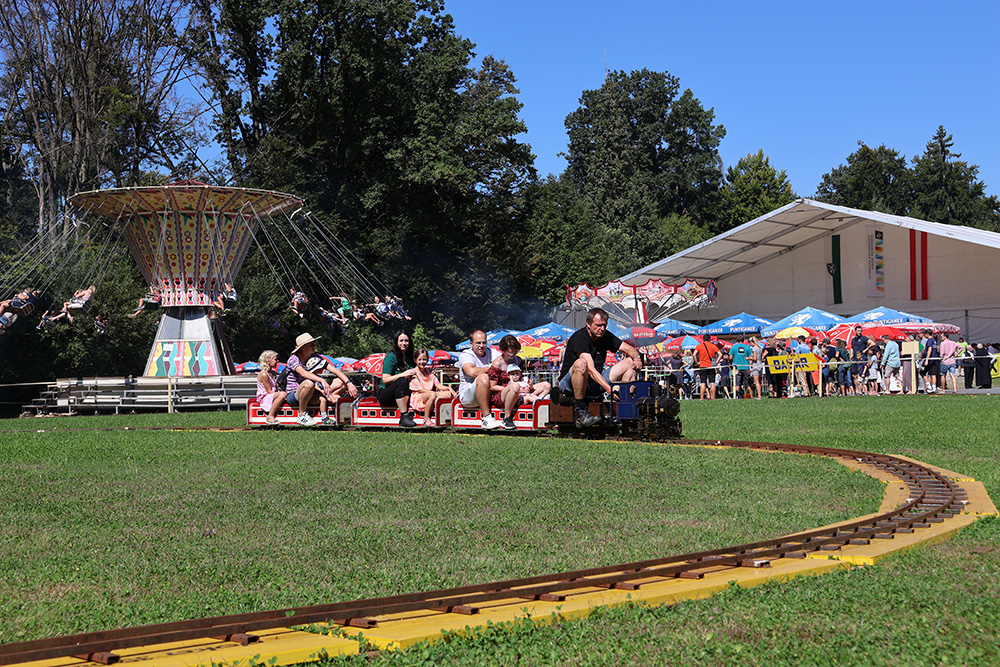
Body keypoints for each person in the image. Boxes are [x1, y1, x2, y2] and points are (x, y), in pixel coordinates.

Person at [557, 308, 642, 427]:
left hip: (593, 383)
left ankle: (626, 407)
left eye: (604, 325)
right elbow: (590, 370)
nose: (602, 329)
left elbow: (629, 349)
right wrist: (609, 390)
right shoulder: (580, 338)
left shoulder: (605, 336)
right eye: (598, 325)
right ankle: (580, 412)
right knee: (581, 364)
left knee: (629, 362)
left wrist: (637, 358)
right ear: (588, 324)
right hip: (569, 385)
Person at [286, 332, 357, 425]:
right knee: (309, 383)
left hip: (313, 391)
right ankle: (302, 414)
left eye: (315, 343)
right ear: (303, 347)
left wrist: (349, 383)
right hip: (295, 393)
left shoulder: (315, 356)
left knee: (340, 382)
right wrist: (321, 380)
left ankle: (327, 399)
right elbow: (303, 373)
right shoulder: (293, 359)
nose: (315, 345)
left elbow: (334, 370)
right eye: (312, 344)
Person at [457, 329, 503, 429]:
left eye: (484, 342)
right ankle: (486, 418)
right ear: (471, 343)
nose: (481, 346)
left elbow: (506, 362)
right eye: (478, 343)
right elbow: (471, 372)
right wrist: (492, 369)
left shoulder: (492, 352)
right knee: (483, 377)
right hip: (468, 396)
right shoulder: (466, 355)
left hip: (490, 392)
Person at [377, 330, 419, 427]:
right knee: (402, 381)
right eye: (401, 341)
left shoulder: (410, 358)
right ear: (396, 342)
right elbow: (385, 380)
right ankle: (404, 416)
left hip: (404, 393)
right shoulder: (390, 357)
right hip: (386, 393)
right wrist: (402, 374)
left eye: (406, 341)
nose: (404, 343)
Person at [409, 349, 456, 427]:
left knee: (448, 394)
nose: (422, 362)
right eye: (419, 359)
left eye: (424, 359)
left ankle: (445, 417)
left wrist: (449, 389)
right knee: (432, 395)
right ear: (415, 360)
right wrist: (435, 393)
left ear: (427, 360)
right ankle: (426, 419)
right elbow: (420, 389)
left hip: (431, 394)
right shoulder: (414, 373)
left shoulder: (429, 372)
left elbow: (438, 385)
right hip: (419, 396)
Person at [487, 335, 525, 430]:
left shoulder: (519, 360)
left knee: (546, 385)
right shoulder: (497, 363)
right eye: (510, 352)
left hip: (518, 389)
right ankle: (507, 418)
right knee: (515, 386)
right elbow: (492, 387)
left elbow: (521, 378)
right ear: (503, 350)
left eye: (515, 351)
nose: (513, 354)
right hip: (500, 394)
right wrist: (512, 388)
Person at [256, 350, 288, 424]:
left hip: (272, 394)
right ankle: (270, 416)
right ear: (268, 361)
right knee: (283, 394)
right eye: (275, 359)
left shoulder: (273, 373)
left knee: (284, 394)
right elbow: (269, 391)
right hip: (265, 396)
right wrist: (281, 393)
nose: (277, 361)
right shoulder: (264, 374)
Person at [693, 334, 721, 400]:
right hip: (711, 366)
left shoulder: (699, 346)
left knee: (703, 382)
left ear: (703, 339)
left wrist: (697, 363)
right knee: (712, 382)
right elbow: (720, 354)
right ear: (709, 339)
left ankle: (701, 398)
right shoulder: (713, 346)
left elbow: (694, 355)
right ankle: (713, 397)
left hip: (702, 365)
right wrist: (716, 361)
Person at [919, 329, 939, 394]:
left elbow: (929, 349)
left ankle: (929, 387)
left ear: (927, 334)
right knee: (933, 374)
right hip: (935, 359)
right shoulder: (934, 340)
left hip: (930, 359)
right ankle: (934, 388)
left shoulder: (929, 340)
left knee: (922, 372)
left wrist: (927, 359)